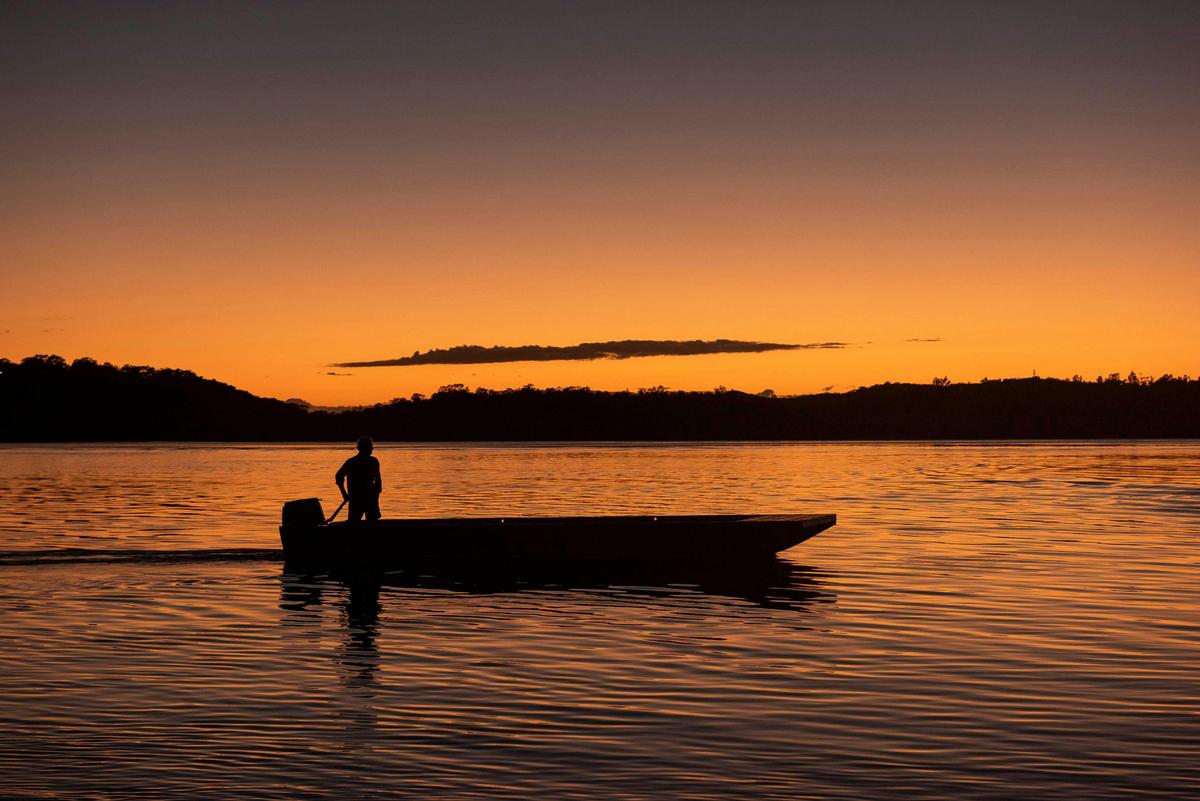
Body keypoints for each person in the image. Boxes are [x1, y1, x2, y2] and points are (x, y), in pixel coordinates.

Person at [335, 436, 382, 523]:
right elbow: (338, 476)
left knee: (369, 521)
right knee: (356, 522)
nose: (372, 449)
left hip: (369, 499)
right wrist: (344, 493)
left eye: (372, 447)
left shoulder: (373, 461)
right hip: (357, 499)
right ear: (361, 448)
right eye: (370, 447)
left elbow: (378, 482)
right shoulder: (352, 462)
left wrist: (376, 494)